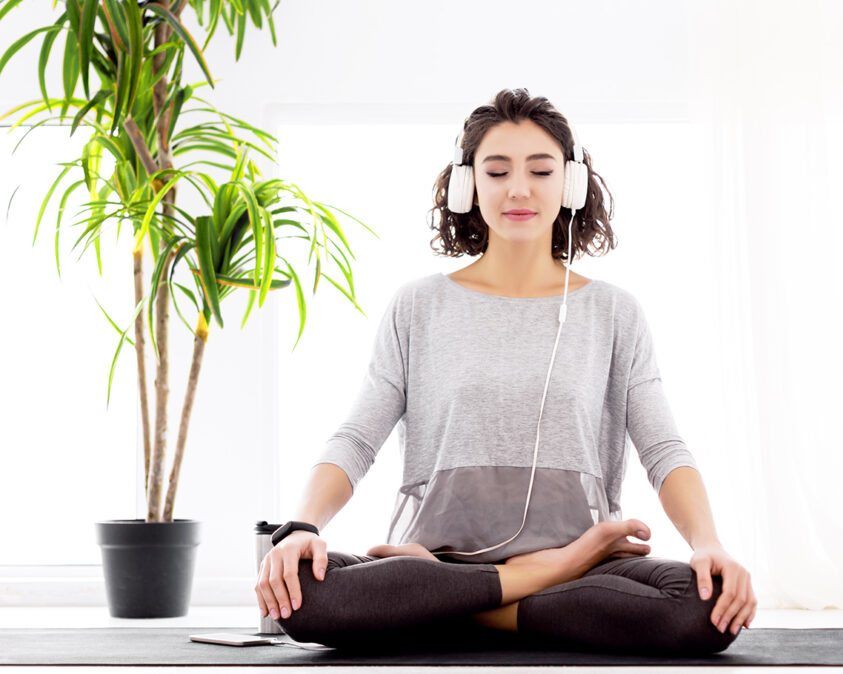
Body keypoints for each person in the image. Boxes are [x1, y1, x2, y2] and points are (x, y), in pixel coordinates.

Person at [254, 88, 756, 654]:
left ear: (570, 184)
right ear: (470, 185)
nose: (519, 188)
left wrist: (708, 543)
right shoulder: (419, 306)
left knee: (708, 606)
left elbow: (663, 446)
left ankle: (448, 612)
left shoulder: (613, 312)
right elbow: (357, 437)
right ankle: (527, 585)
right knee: (300, 592)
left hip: (571, 571)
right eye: (497, 171)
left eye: (540, 171)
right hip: (443, 564)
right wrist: (301, 527)